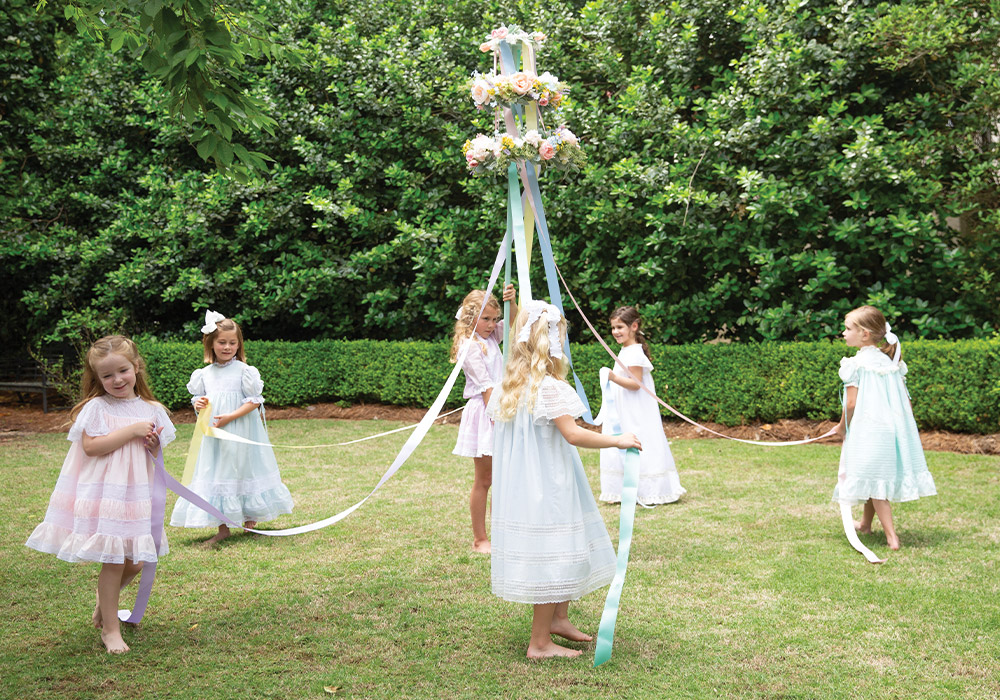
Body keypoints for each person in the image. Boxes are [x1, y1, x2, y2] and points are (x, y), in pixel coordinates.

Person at [487, 300, 641, 658]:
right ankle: (539, 643)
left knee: (565, 546)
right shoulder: (550, 388)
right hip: (548, 483)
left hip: (526, 483)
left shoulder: (509, 386)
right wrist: (617, 439)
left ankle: (558, 619)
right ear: (550, 343)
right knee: (553, 553)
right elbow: (574, 434)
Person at [26, 335, 175, 653]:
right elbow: (92, 447)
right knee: (114, 560)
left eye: (122, 370)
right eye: (107, 376)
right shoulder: (97, 408)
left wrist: (151, 444)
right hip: (108, 492)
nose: (117, 379)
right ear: (97, 379)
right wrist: (131, 431)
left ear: (136, 367)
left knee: (135, 562)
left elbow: (155, 452)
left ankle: (103, 604)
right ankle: (111, 629)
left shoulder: (152, 409)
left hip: (136, 493)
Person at [170, 311, 293, 544]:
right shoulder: (204, 374)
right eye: (222, 342)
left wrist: (231, 416)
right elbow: (199, 399)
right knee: (218, 471)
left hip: (241, 429)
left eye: (232, 343)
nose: (227, 347)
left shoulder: (245, 372)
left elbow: (254, 401)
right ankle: (223, 526)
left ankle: (249, 517)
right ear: (211, 343)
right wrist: (198, 403)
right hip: (215, 434)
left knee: (243, 468)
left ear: (239, 344)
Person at [834, 305, 936, 551]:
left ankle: (892, 536)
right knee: (875, 477)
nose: (843, 333)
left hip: (869, 430)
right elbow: (905, 401)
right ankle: (866, 524)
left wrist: (841, 427)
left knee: (875, 479)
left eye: (848, 329)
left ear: (865, 334)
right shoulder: (890, 362)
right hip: (891, 429)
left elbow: (851, 403)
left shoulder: (855, 364)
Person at [450, 284, 517, 553]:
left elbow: (512, 324)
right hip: (486, 411)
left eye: (493, 318)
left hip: (500, 405)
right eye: (485, 319)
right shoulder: (469, 345)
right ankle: (480, 538)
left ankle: (503, 532)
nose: (491, 325)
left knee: (503, 477)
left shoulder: (489, 337)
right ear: (470, 319)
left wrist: (512, 301)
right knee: (485, 478)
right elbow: (485, 385)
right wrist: (496, 417)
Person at [597, 305, 685, 505]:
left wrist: (612, 377)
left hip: (635, 409)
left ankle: (649, 490)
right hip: (625, 407)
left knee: (639, 439)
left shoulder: (635, 353)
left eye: (620, 327)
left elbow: (636, 385)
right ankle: (625, 489)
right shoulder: (626, 349)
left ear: (634, 326)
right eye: (613, 328)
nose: (615, 332)